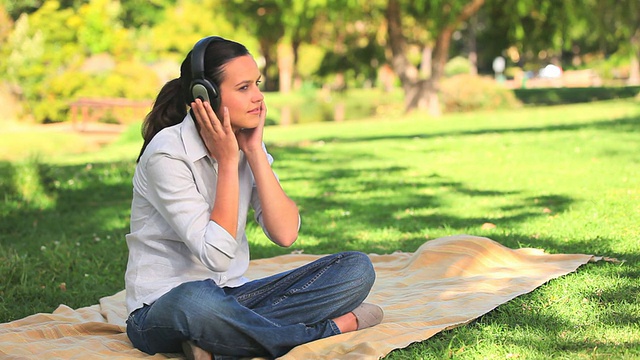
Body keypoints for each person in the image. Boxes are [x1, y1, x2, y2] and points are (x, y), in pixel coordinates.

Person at [124, 36, 383, 360]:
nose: (259, 97)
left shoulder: (245, 142)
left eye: (257, 84)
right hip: (163, 309)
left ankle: (219, 343)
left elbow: (285, 234)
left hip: (236, 297)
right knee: (196, 301)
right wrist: (229, 162)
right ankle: (330, 329)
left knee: (356, 269)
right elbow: (215, 256)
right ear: (205, 95)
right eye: (244, 87)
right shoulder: (168, 153)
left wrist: (253, 151)